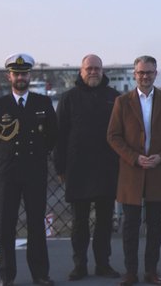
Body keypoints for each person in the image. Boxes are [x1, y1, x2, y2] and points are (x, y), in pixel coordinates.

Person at [107, 55, 161, 286]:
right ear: (135, 74)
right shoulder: (122, 102)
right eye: (141, 72)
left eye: (149, 72)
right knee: (130, 226)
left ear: (156, 74)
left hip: (157, 170)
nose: (145, 76)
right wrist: (134, 157)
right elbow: (113, 136)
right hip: (132, 172)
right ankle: (130, 272)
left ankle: (152, 270)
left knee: (155, 224)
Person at [0, 53, 58, 286]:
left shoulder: (42, 103)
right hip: (8, 172)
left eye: (24, 73)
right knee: (6, 225)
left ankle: (40, 274)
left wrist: (37, 154)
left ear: (29, 75)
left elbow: (52, 135)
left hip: (35, 170)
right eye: (16, 74)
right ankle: (7, 276)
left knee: (36, 224)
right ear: (9, 76)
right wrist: (7, 158)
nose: (20, 77)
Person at [54, 54, 122, 280]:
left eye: (97, 68)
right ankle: (79, 265)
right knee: (79, 223)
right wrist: (60, 167)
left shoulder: (115, 98)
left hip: (107, 168)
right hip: (77, 169)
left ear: (103, 71)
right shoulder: (68, 98)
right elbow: (60, 135)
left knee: (104, 222)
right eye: (89, 68)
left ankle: (103, 264)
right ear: (81, 72)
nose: (93, 72)